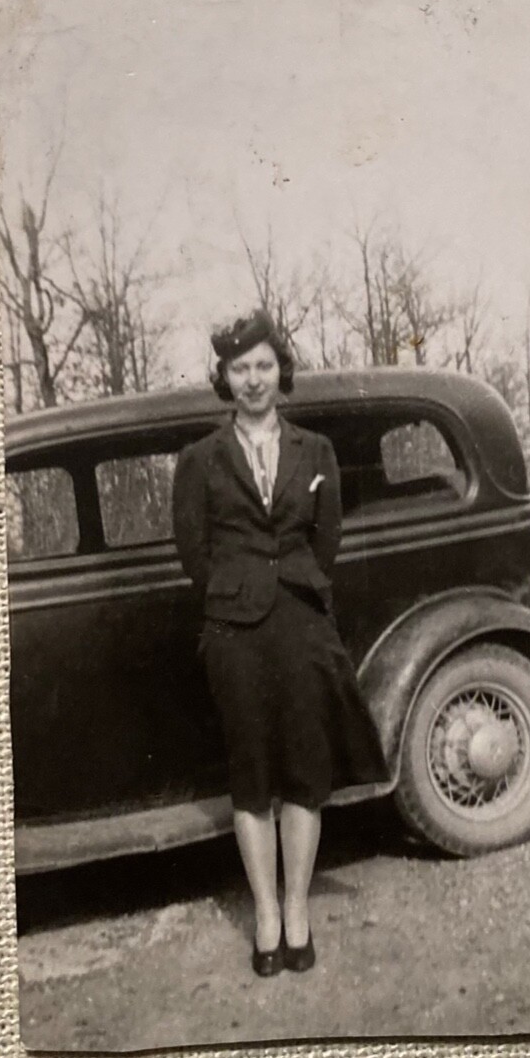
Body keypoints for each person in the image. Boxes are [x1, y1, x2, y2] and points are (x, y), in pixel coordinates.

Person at [171, 310, 389, 977]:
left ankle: (297, 908)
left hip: (302, 624)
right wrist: (238, 594)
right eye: (240, 369)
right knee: (251, 775)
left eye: (264, 365)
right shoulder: (199, 459)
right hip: (235, 632)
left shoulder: (315, 452)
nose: (253, 379)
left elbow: (328, 540)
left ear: (280, 371)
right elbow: (193, 551)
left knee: (303, 770)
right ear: (225, 378)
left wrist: (296, 589)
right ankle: (264, 912)